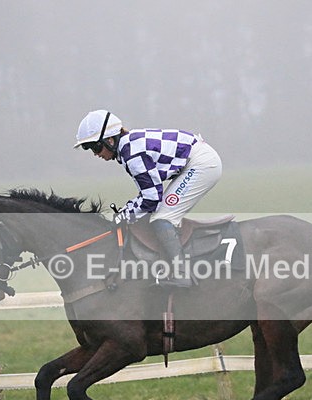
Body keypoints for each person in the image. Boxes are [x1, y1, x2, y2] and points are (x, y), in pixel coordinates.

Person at [74, 109, 223, 288]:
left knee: (162, 217)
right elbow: (149, 194)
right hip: (195, 160)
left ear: (110, 140)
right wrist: (128, 211)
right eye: (89, 148)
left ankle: (181, 273)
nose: (95, 154)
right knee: (158, 213)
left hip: (202, 165)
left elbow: (151, 199)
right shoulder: (128, 147)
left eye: (96, 147)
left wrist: (126, 214)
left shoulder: (132, 154)